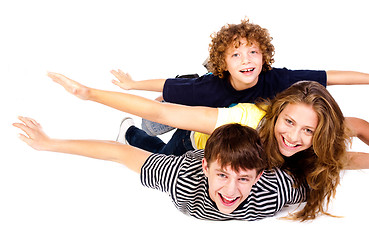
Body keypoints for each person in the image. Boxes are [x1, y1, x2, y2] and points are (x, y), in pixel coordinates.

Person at [47, 72, 369, 220]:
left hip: (228, 171)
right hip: (196, 146)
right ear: (275, 113)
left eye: (308, 130)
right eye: (288, 122)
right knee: (152, 146)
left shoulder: (314, 145)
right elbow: (161, 112)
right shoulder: (245, 120)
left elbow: (358, 131)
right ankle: (132, 131)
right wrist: (89, 94)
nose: (295, 137)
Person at [109, 18, 369, 145]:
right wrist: (133, 85)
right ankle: (137, 127)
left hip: (222, 122)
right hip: (196, 110)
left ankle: (136, 128)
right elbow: (164, 83)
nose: (247, 60)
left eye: (253, 52)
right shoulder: (208, 88)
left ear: (264, 56)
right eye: (236, 55)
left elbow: (330, 77)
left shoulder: (277, 78)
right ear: (224, 64)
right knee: (155, 131)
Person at [12, 119, 308, 221]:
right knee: (152, 149)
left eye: (243, 178)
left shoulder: (276, 189)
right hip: (187, 147)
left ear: (258, 176)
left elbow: (324, 169)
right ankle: (130, 129)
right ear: (206, 167)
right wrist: (49, 143)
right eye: (222, 175)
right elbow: (118, 154)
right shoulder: (181, 176)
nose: (231, 191)